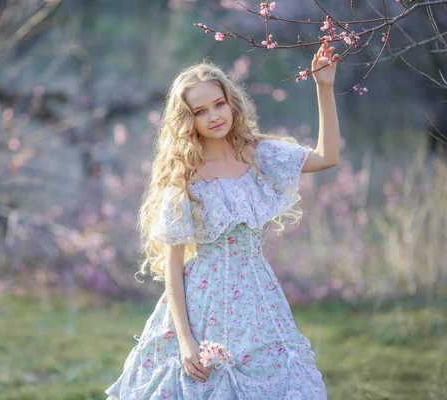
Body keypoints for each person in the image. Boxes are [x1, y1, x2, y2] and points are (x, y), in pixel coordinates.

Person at [105, 42, 340, 399]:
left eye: (219, 104)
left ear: (231, 103)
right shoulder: (185, 178)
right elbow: (173, 267)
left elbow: (326, 157)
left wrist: (324, 86)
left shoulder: (257, 154)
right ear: (188, 120)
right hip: (202, 303)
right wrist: (185, 340)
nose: (214, 116)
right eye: (201, 111)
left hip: (259, 299)